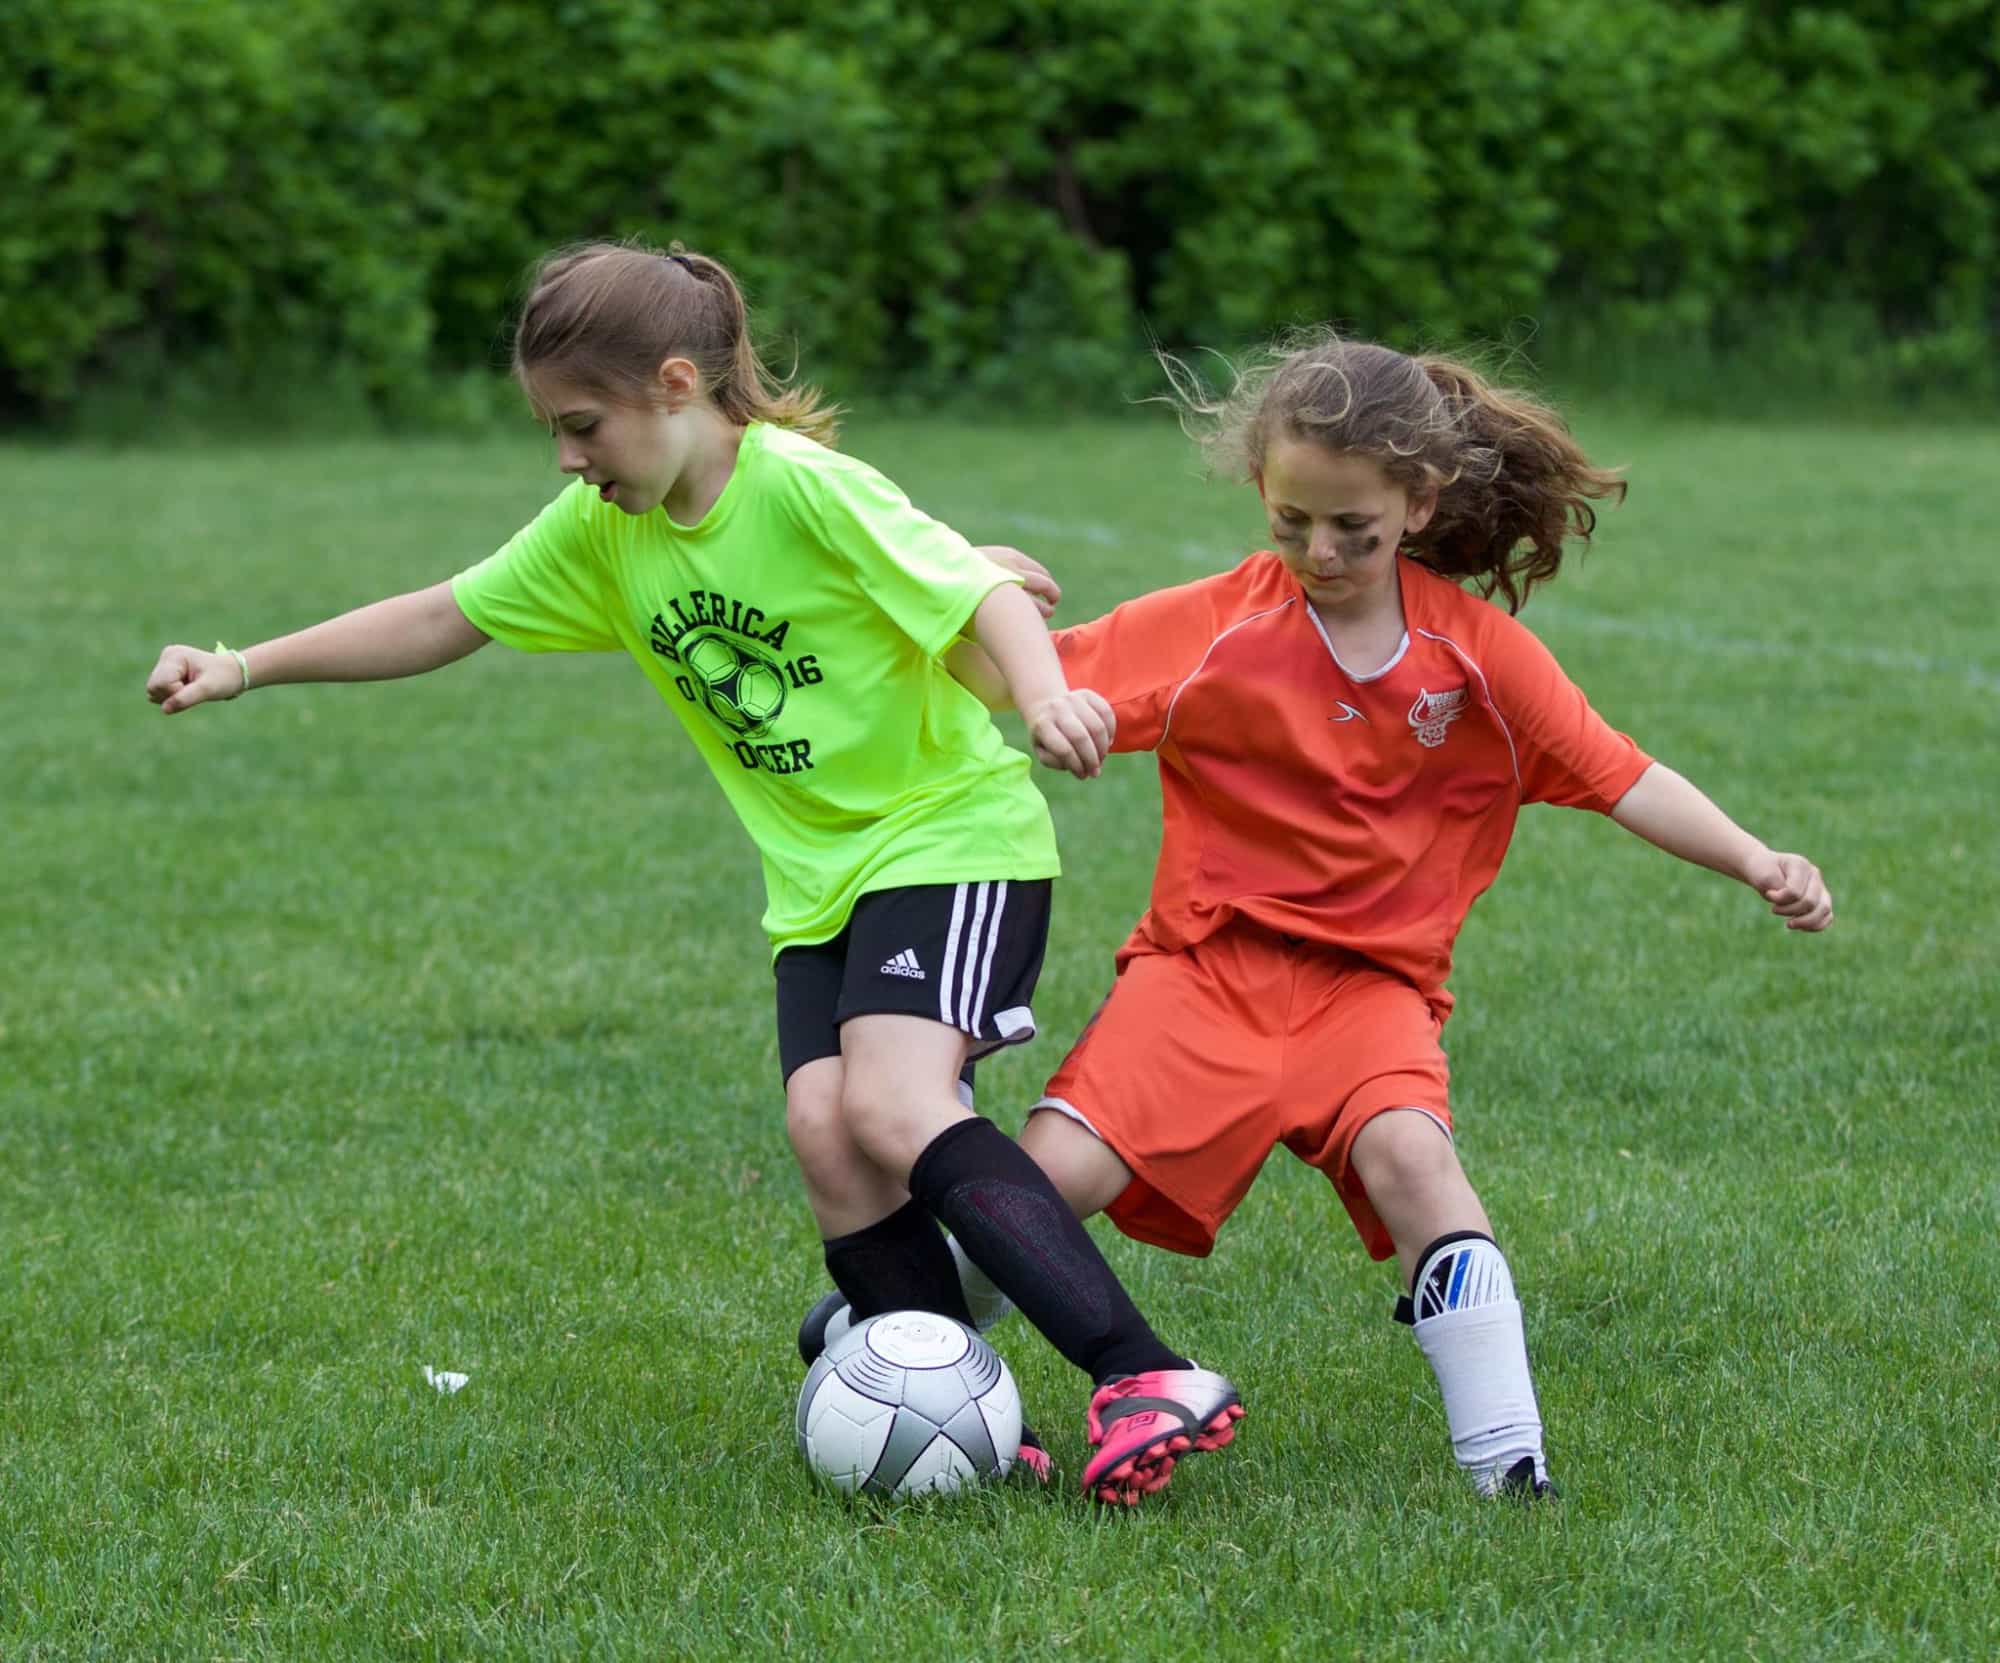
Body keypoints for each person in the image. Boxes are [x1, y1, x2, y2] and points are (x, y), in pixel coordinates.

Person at [143, 239, 1240, 1505]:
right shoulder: (604, 533)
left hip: (949, 838)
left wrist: (1046, 699)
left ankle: (1142, 1370)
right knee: (827, 1134)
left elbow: (981, 597)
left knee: (890, 1103)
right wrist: (243, 665)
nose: (565, 457)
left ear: (676, 385)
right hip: (814, 881)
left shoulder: (804, 488)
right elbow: (446, 612)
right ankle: (974, 1408)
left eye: (580, 425)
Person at [879, 330, 1834, 1500]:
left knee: (1412, 1160)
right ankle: (898, 1347)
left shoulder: (1478, 659)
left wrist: (1752, 856)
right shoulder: (1215, 625)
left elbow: (1617, 771)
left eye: (1352, 530)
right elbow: (1029, 676)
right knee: (1042, 1180)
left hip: (1370, 995)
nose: (1318, 552)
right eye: (1290, 523)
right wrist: (975, 597)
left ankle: (1508, 1468)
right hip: (1202, 976)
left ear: (1418, 502)